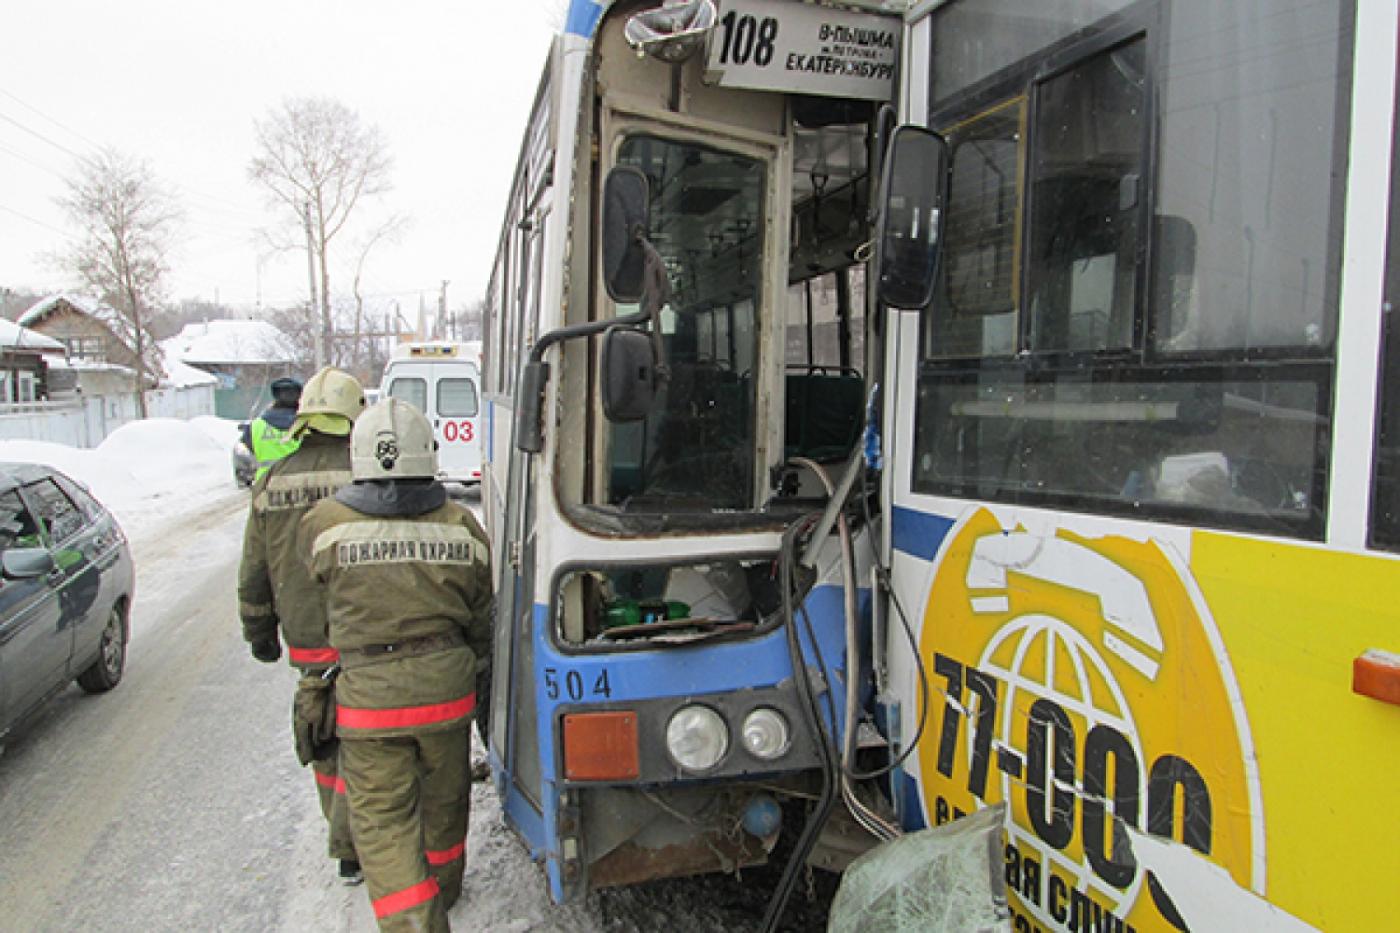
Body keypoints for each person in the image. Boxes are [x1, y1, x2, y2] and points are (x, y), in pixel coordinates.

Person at [299, 398, 491, 932]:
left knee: (383, 825)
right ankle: (445, 891)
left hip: (370, 706)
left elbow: (313, 608)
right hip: (446, 695)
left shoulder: (323, 524)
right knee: (445, 801)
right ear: (428, 455)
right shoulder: (461, 525)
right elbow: (482, 617)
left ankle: (414, 923)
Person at [237, 366, 367, 885]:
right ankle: (374, 836)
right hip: (366, 635)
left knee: (327, 736)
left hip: (310, 639)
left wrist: (260, 633)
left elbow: (254, 571)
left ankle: (346, 850)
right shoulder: (365, 475)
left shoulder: (271, 482)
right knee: (372, 737)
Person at [243, 376, 304, 482]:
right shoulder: (308, 424)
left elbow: (249, 449)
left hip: (266, 484)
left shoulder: (256, 425)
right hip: (301, 484)